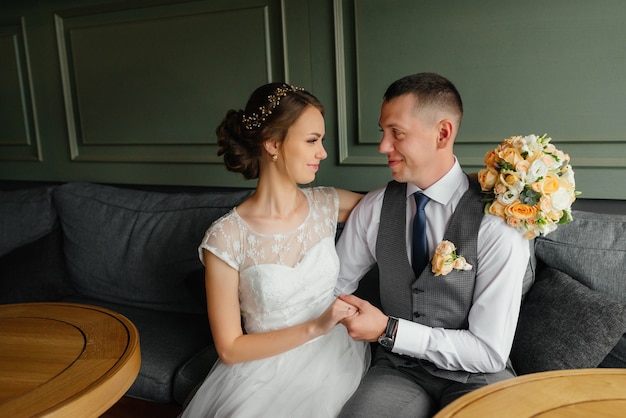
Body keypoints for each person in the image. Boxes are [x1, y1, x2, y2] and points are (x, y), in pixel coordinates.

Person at [335, 73, 533, 417]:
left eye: (397, 133)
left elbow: (488, 352)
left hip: (475, 375)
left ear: (442, 133)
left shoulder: (497, 222)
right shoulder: (374, 208)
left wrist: (388, 329)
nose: (383, 146)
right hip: (397, 370)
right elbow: (333, 288)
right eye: (383, 132)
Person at [181, 82, 370, 418]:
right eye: (312, 140)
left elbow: (400, 205)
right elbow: (230, 348)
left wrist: (486, 185)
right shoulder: (225, 238)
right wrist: (317, 325)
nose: (323, 153)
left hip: (336, 357)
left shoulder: (329, 203)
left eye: (321, 141)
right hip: (260, 369)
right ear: (272, 143)